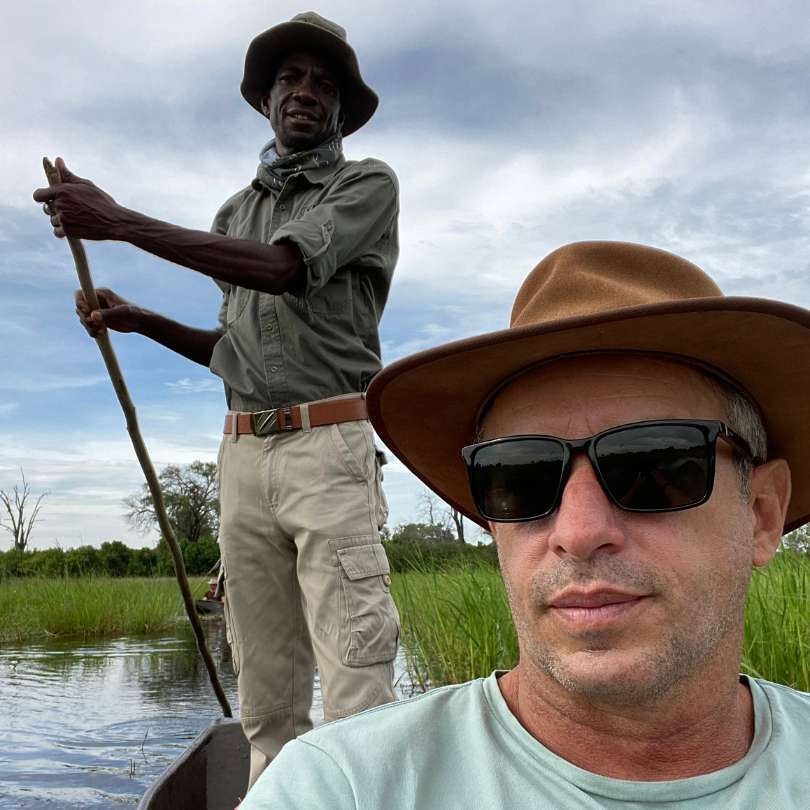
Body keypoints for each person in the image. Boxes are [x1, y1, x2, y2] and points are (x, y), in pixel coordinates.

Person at [240, 241, 810, 808]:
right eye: (520, 475)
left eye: (653, 467)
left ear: (761, 515)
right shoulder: (343, 786)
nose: (578, 531)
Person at [34, 11, 401, 789]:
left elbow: (284, 269)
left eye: (324, 85)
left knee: (356, 690)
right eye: (291, 80)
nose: (306, 94)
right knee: (265, 696)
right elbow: (233, 350)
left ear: (340, 108)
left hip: (328, 450)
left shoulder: (365, 184)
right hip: (242, 454)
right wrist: (140, 321)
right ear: (266, 100)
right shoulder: (234, 213)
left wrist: (121, 222)